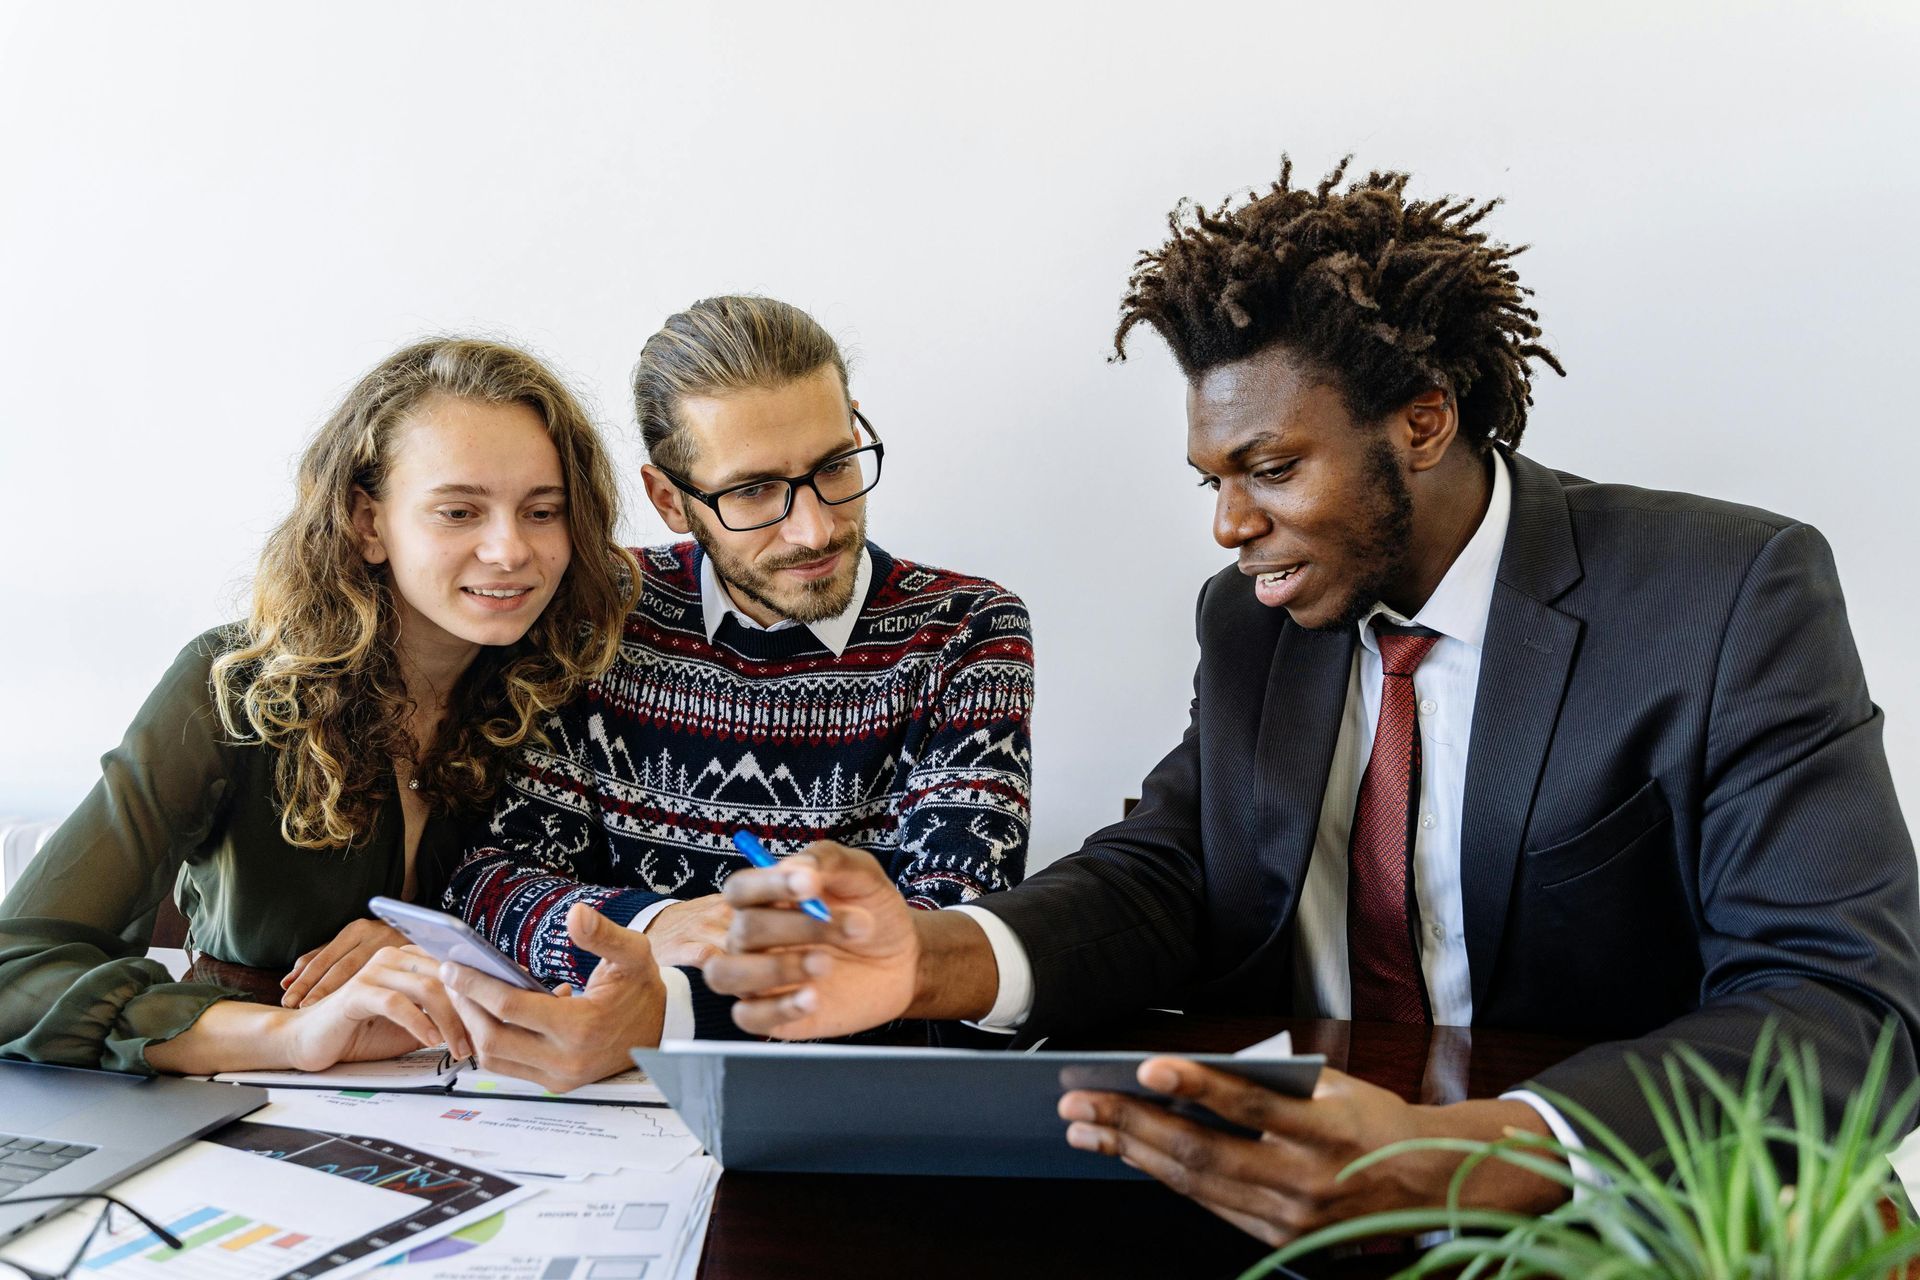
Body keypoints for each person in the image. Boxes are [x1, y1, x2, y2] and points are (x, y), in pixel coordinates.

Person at [704, 161, 1920, 1243]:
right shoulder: (1253, 620)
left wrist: (1489, 1151)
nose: (1229, 524)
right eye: (1215, 478)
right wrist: (935, 958)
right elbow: (1171, 870)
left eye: (1271, 469)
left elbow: (1846, 1003)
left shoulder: (1727, 594)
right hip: (1277, 1196)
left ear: (1424, 421)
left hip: (1599, 1214)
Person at [437, 295, 1036, 1091]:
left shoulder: (968, 630)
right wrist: (659, 923)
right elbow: (488, 879)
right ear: (670, 500)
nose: (815, 530)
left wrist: (660, 1005)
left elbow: (946, 945)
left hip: (856, 1103)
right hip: (607, 1102)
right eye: (753, 492)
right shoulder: (597, 612)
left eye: (834, 467)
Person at [0, 337, 639, 1076]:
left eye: (542, 511)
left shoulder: (574, 682)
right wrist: (295, 1037)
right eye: (460, 512)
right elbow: (15, 973)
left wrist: (450, 942)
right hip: (248, 1087)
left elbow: (624, 917)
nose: (510, 550)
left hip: (508, 1094)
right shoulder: (232, 684)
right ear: (369, 524)